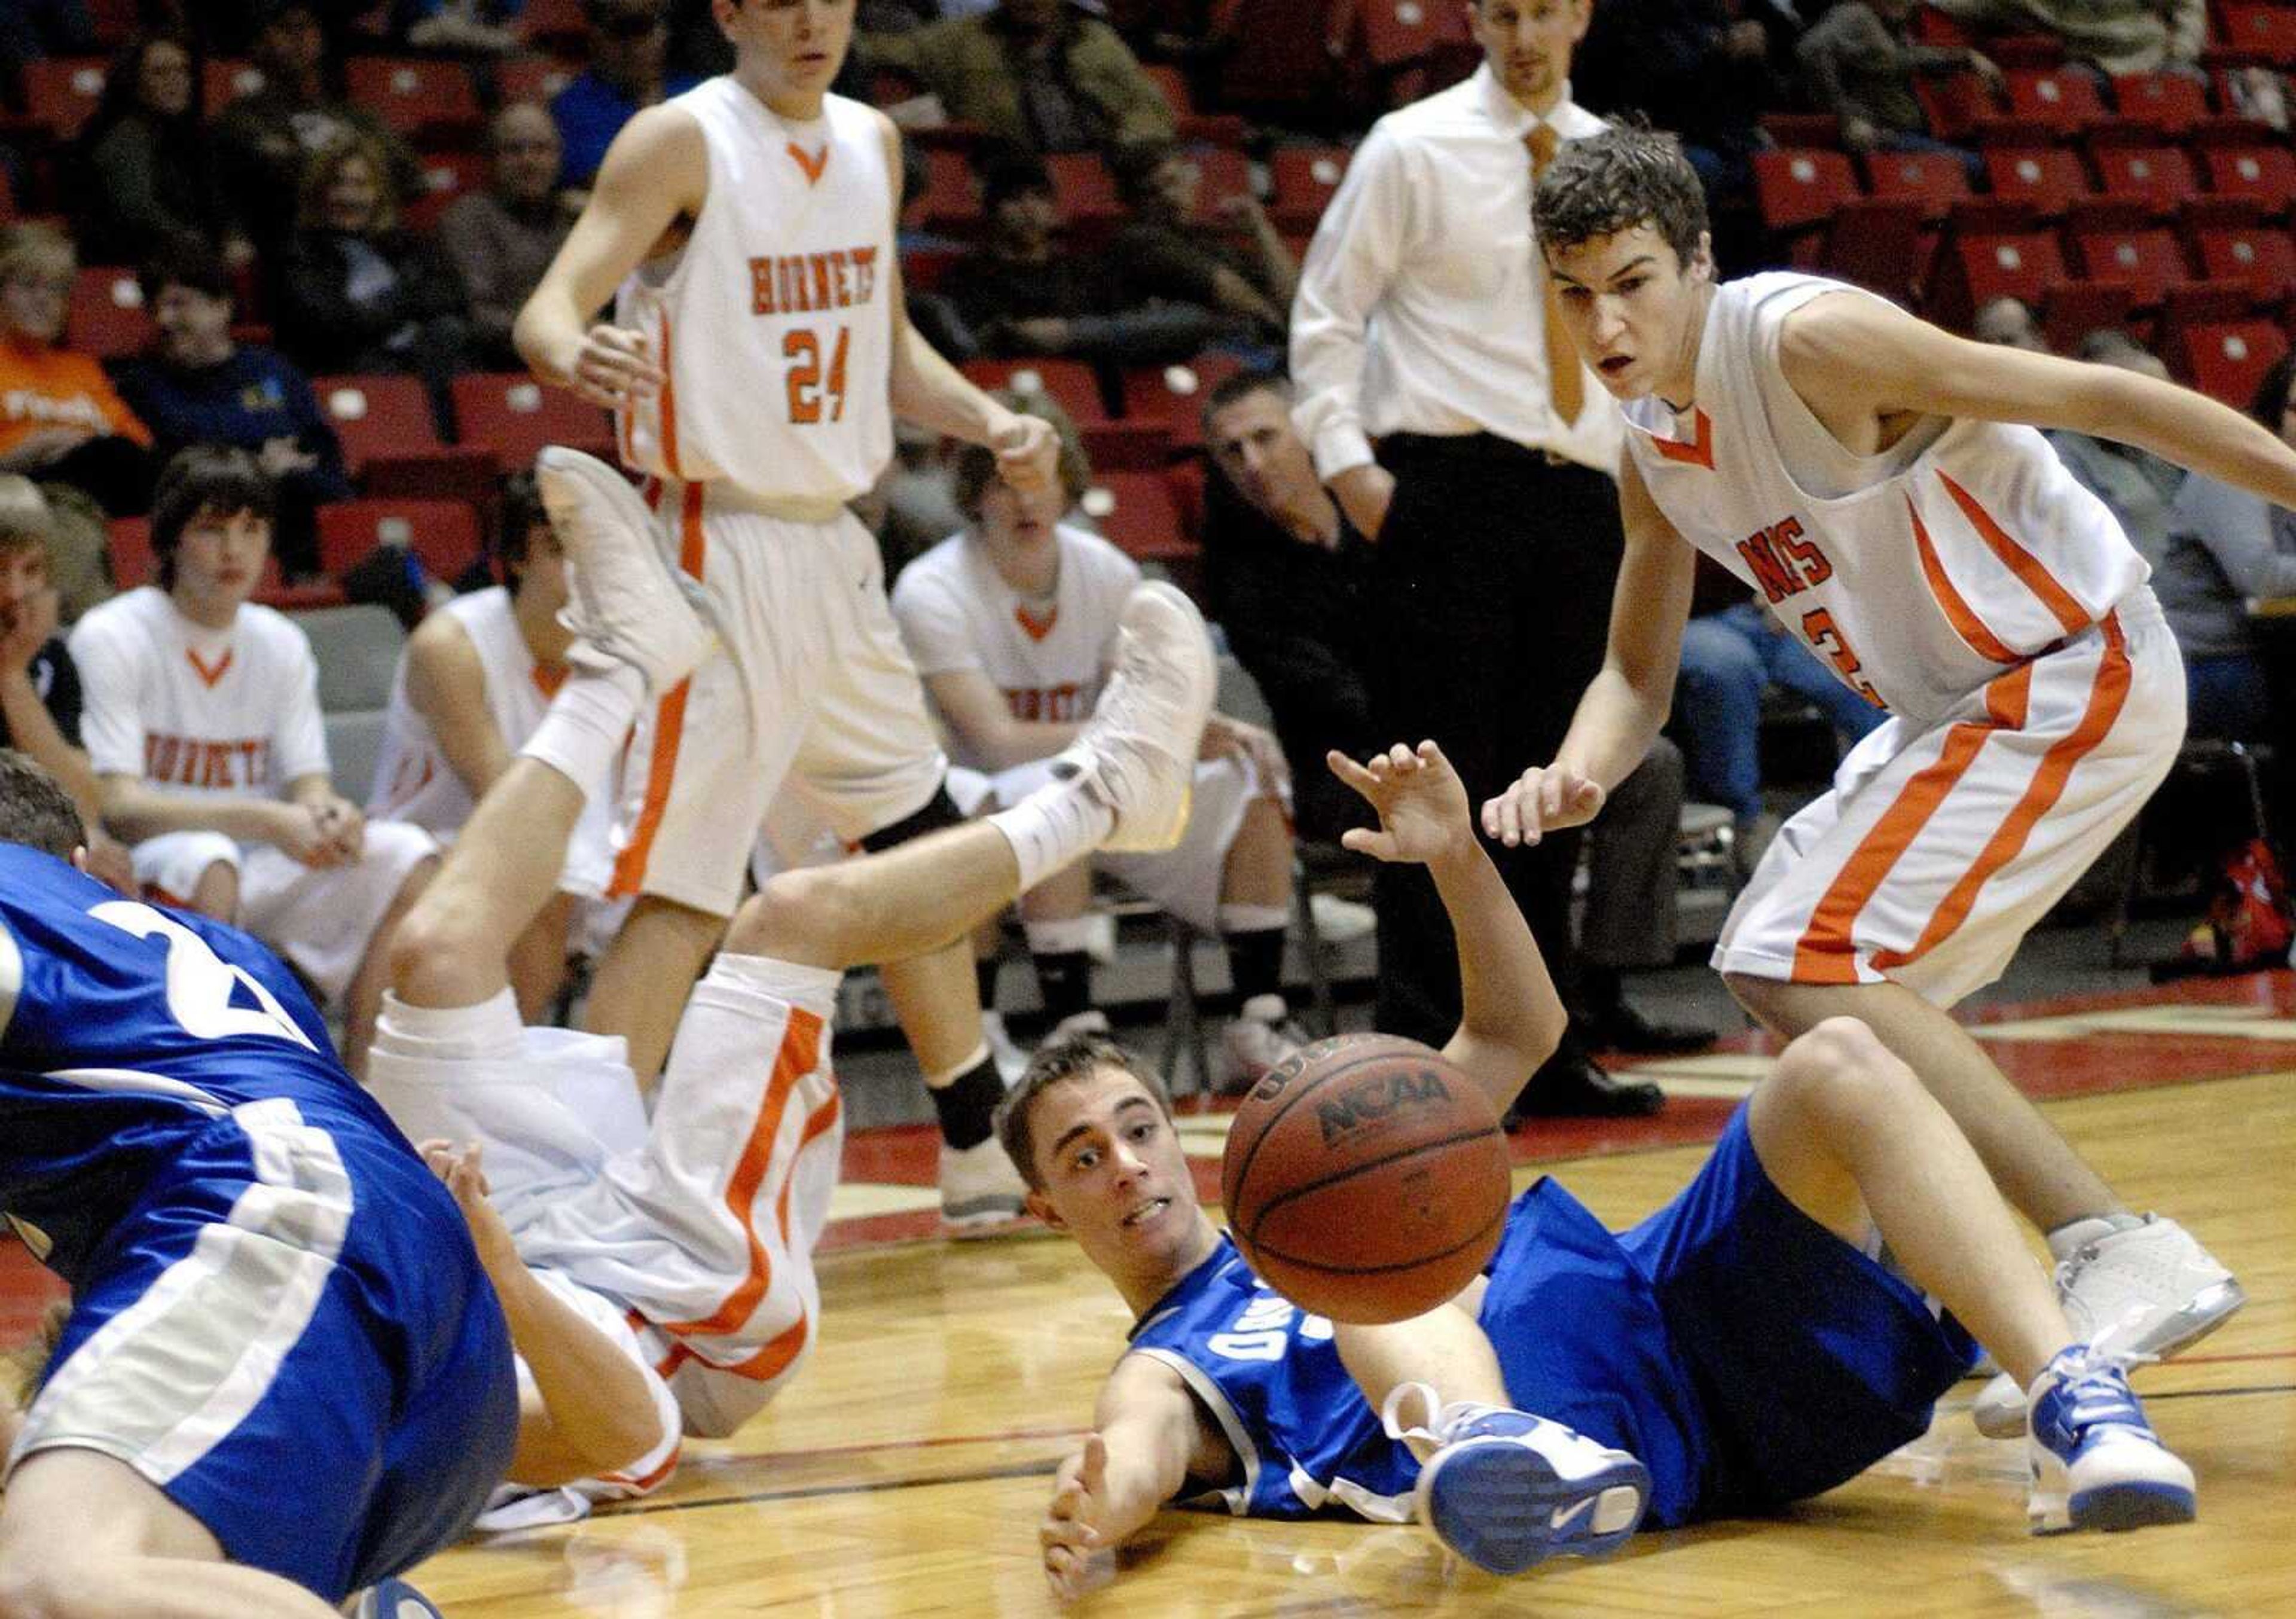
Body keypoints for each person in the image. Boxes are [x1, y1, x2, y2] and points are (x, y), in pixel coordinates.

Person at [1486, 121, 2276, 1438]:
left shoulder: (1806, 343)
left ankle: (2108, 1241)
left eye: (1631, 281)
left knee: (1816, 951)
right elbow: (1635, 679)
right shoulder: (1645, 439)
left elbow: (2107, 401)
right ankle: (1961, 1285)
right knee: (1791, 969)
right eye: (1574, 294)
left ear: (1697, 263)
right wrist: (1572, 775)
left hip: (2072, 660)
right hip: (1957, 710)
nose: (1605, 321)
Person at [1010, 740, 2197, 1602]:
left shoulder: (1355, 1165)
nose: (1125, 1164)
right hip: (1581, 1441)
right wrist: (1093, 1509)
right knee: (1370, 1274)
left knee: (1839, 1057)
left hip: (1681, 1327)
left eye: (1137, 1126)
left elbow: (1518, 1032)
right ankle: (1484, 1440)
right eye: (1082, 1156)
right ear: (1042, 1205)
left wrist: (1459, 858)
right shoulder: (1176, 1357)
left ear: (1179, 1133)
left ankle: (2075, 1401)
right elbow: (1137, 1449)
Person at [371, 420, 1214, 1490]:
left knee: (438, 952)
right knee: (789, 922)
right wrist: (497, 1264)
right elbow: (632, 1436)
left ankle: (632, 660)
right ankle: (1105, 797)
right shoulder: (361, 1433)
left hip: (477, 1219)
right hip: (658, 1303)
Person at [485, 0, 1169, 1228]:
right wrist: (567, 351)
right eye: (780, 0)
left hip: (834, 544)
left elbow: (888, 344)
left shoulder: (872, 141)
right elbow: (551, 302)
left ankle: (969, 1141)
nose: (811, 22)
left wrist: (990, 421)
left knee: (911, 844)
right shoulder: (680, 139)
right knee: (687, 888)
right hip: (715, 539)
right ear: (731, 11)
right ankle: (563, 1187)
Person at [0, 746, 517, 1618]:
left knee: (54, 1580)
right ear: (90, 872)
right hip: (422, 1322)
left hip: (271, 1211)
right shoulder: (205, 956)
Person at [1290, 0, 1662, 1119]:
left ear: (1584, 13)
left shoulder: (1613, 160)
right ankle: (1423, 1052)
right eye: (1503, 10)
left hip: (1582, 489)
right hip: (1443, 487)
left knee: (1550, 785)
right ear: (1474, 19)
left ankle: (1541, 1046)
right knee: (1433, 777)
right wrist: (1354, 474)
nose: (1525, 32)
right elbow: (1325, 317)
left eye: (1545, 8)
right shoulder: (1413, 146)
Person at [891, 394, 1308, 1090]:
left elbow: (1135, 703)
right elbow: (994, 741)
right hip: (981, 796)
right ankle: (1072, 1025)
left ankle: (1257, 1016)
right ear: (973, 494)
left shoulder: (1107, 573)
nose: (1025, 500)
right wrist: (1153, 736)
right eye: (1003, 482)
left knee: (1251, 777)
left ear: (1069, 486)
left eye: (1040, 479)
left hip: (1101, 784)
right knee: (1058, 790)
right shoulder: (930, 588)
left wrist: (1200, 731)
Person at [66, 447, 440, 1077]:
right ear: (169, 541)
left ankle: (365, 1085)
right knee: (207, 856)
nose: (233, 551)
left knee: (408, 855)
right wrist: (271, 820)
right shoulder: (115, 633)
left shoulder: (281, 640)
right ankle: (213, 1076)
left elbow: (309, 783)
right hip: (155, 861)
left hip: (259, 861)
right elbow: (121, 808)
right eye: (211, 530)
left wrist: (330, 814)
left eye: (251, 529)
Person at [368, 471, 609, 1022]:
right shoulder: (452, 644)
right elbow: (507, 803)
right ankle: (503, 1067)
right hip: (430, 844)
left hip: (564, 840)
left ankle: (616, 1081)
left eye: (589, 549)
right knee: (543, 873)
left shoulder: (618, 650)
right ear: (517, 558)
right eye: (557, 548)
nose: (579, 569)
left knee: (678, 891)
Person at [1198, 370, 1377, 844]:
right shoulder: (1236, 574)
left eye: (1265, 438)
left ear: (1306, 431)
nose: (1253, 464)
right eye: (1233, 452)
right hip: (1338, 770)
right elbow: (1327, 697)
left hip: (1427, 737)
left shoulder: (1374, 516)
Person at [113, 239, 353, 581]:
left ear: (222, 308)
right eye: (156, 308)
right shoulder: (142, 385)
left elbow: (323, 454)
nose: (164, 319)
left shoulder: (271, 370)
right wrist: (261, 465)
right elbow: (184, 449)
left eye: (179, 304)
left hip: (295, 519)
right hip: (205, 534)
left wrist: (280, 466)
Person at [939, 145, 1223, 368]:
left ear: (1053, 210)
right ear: (993, 212)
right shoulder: (970, 275)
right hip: (1017, 386)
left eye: (1039, 198)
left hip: (1097, 374)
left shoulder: (1082, 270)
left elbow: (1148, 328)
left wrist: (1071, 334)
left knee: (1190, 319)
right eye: (1014, 200)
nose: (1029, 210)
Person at [2150, 351, 2296, 744]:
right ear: (2272, 412)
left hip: (2261, 644)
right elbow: (2261, 577)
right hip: (2202, 659)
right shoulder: (2234, 470)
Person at [213, 1, 425, 264]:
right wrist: (356, 161)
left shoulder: (356, 115)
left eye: (307, 26)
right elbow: (294, 179)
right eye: (285, 28)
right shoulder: (242, 119)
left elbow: (413, 177)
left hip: (369, 244)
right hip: (293, 255)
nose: (300, 36)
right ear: (258, 44)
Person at [0, 478, 133, 892]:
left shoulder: (51, 659)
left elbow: (84, 802)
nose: (14, 593)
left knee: (107, 863)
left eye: (32, 570)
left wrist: (12, 674)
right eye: (0, 568)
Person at [271, 130, 475, 393]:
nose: (349, 197)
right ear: (319, 192)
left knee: (449, 334)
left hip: (418, 362)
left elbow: (449, 297)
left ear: (379, 194)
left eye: (361, 185)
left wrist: (385, 310)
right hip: (349, 372)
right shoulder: (300, 253)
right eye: (338, 184)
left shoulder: (404, 243)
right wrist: (403, 304)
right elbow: (332, 327)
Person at [857, 0, 1175, 156]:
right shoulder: (962, 40)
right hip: (1010, 171)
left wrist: (1128, 146)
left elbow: (1149, 107)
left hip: (1102, 166)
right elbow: (881, 50)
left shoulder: (1097, 40)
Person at [0, 222, 157, 519]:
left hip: (97, 493)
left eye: (57, 289)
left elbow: (139, 447)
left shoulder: (83, 370)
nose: (44, 300)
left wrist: (77, 441)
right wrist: (28, 452)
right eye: (29, 284)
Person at [67, 31, 250, 270]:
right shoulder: (123, 137)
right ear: (133, 82)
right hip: (139, 261)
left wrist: (233, 236)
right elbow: (139, 211)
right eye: (160, 72)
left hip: (187, 256)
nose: (175, 80)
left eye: (182, 70)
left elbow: (219, 198)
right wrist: (201, 248)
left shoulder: (193, 136)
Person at [1106, 137, 1295, 350]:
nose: (1170, 197)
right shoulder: (1139, 241)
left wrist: (1261, 229)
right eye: (1152, 191)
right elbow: (1228, 289)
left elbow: (1294, 300)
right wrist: (1283, 329)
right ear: (1132, 200)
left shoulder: (1205, 240)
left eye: (1175, 182)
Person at [437, 103, 583, 370]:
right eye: (514, 150)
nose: (529, 161)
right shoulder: (467, 219)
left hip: (579, 356)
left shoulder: (576, 216)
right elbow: (480, 315)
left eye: (541, 149)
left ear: (559, 156)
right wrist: (557, 335)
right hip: (501, 361)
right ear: (491, 159)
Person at [1796, 0, 1999, 182]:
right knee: (1984, 171)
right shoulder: (1855, 14)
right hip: (1886, 138)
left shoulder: (1891, 20)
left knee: (1993, 163)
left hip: (1908, 134)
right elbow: (1812, 49)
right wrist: (1847, 118)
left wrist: (1964, 59)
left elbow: (1900, 59)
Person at [551, 0, 704, 188]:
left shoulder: (698, 94)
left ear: (663, 33)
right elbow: (606, 182)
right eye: (619, 32)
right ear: (596, 37)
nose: (632, 47)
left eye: (642, 29)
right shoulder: (573, 107)